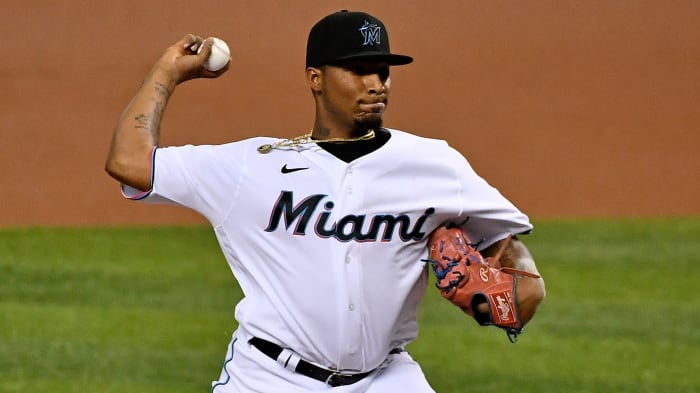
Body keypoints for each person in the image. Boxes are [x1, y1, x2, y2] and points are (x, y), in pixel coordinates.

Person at [105, 10, 545, 393]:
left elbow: (505, 244)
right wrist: (165, 73)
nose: (375, 84)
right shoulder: (249, 167)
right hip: (268, 379)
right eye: (358, 70)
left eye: (382, 71)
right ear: (315, 77)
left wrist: (515, 288)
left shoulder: (434, 164)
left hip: (385, 378)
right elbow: (129, 162)